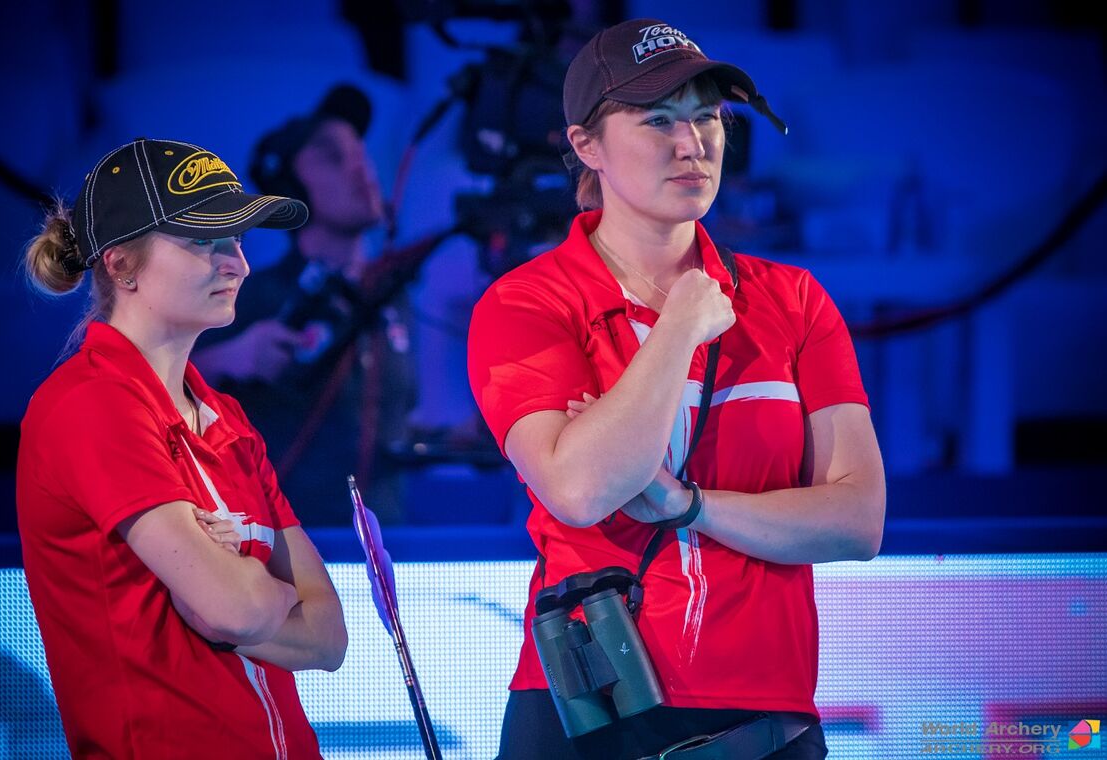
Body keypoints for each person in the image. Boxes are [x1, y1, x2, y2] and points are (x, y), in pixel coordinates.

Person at [466, 18, 886, 760]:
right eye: (658, 120)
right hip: (590, 707)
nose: (692, 143)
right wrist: (680, 326)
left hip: (765, 713)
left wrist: (687, 505)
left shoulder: (794, 299)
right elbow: (580, 489)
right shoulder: (525, 303)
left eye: (707, 118)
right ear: (586, 145)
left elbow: (858, 520)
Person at [17, 137, 347, 758]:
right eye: (203, 240)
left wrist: (242, 597)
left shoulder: (228, 418)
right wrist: (272, 596)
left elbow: (329, 636)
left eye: (237, 240)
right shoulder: (90, 404)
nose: (238, 265)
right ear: (121, 265)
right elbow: (232, 609)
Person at [193, 84, 418, 526]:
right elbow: (150, 393)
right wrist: (232, 356)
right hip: (294, 548)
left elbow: (398, 416)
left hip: (389, 546)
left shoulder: (394, 297)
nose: (361, 167)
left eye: (361, 153)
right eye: (333, 157)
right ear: (291, 188)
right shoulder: (252, 295)